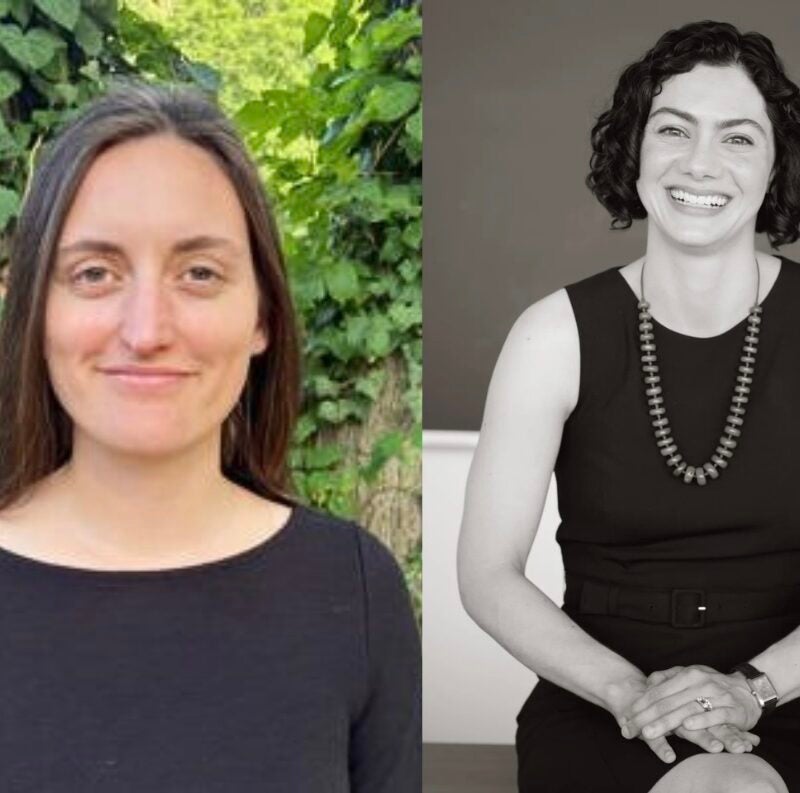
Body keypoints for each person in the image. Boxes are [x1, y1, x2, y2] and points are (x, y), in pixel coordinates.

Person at [0, 79, 420, 791]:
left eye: (199, 273)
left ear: (262, 315)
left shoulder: (352, 590)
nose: (146, 330)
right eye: (95, 273)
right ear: (37, 310)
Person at [457, 20, 800, 793]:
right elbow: (487, 572)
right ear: (635, 152)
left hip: (789, 683)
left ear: (777, 164)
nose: (700, 163)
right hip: (602, 694)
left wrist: (750, 687)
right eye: (673, 129)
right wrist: (631, 693)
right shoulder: (551, 334)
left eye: (739, 138)